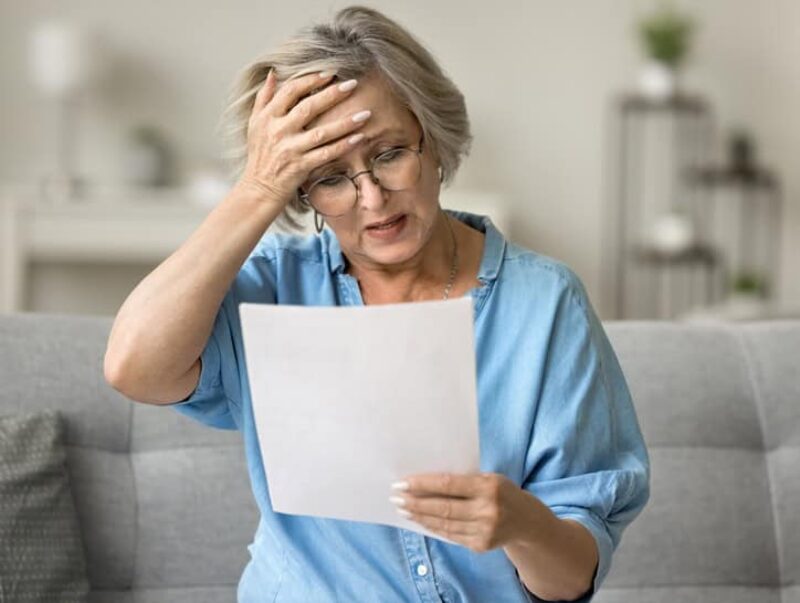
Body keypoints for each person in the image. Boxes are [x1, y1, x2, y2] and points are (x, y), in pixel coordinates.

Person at [104, 6, 650, 602]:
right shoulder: (272, 291)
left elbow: (570, 579)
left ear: (433, 140)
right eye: (330, 177)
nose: (371, 198)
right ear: (301, 189)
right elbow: (134, 367)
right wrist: (259, 187)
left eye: (390, 154)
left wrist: (522, 522)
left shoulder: (544, 304)